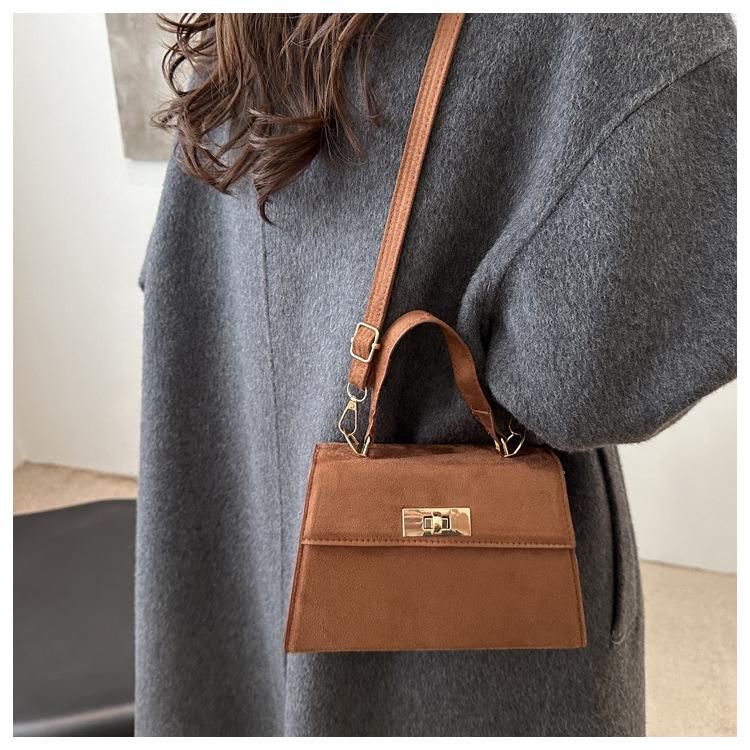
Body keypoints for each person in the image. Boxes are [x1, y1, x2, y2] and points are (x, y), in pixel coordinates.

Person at [137, 13, 736, 736]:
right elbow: (582, 387)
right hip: (458, 663)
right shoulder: (614, 32)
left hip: (228, 523)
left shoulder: (248, 28)